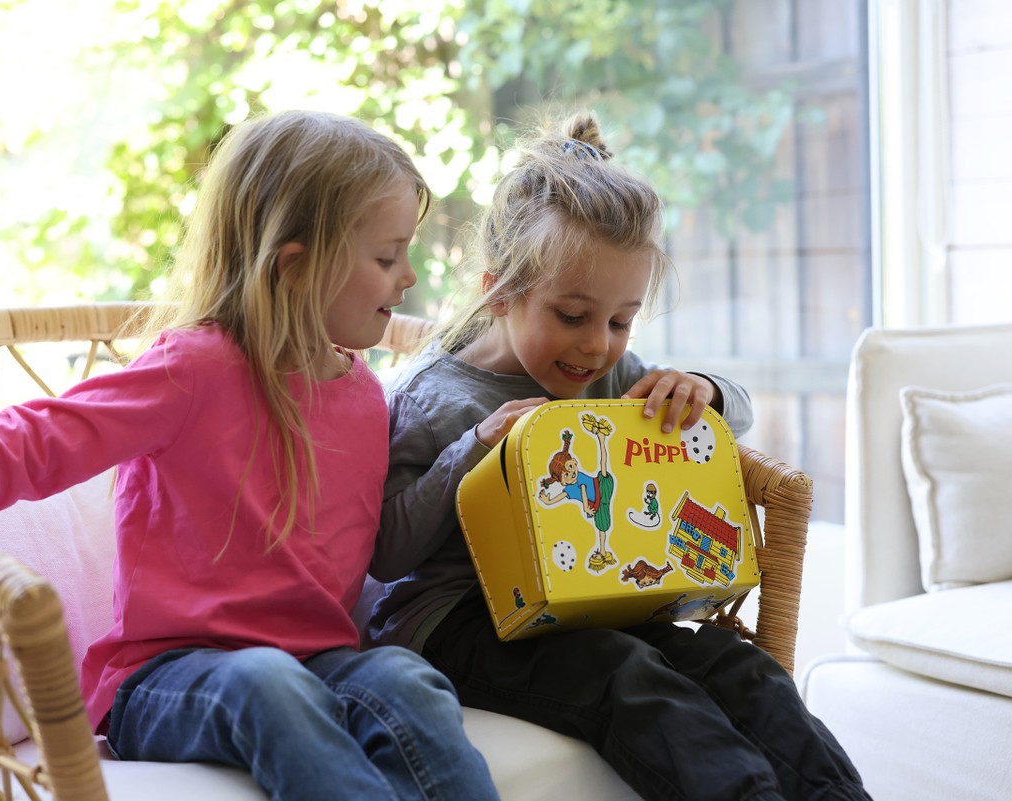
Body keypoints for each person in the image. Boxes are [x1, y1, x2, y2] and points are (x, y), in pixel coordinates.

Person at [0, 110, 500, 801]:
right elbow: (47, 435)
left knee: (405, 679)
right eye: (387, 258)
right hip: (163, 678)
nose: (408, 277)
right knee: (268, 681)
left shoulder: (362, 393)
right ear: (295, 266)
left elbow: (384, 540)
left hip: (317, 663)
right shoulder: (195, 367)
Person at [367, 112, 871, 801]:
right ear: (499, 291)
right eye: (572, 316)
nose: (597, 345)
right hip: (457, 624)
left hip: (591, 602)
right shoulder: (433, 397)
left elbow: (737, 412)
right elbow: (387, 553)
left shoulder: (602, 375)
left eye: (621, 320)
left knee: (737, 665)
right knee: (626, 673)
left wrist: (702, 391)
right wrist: (474, 450)